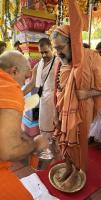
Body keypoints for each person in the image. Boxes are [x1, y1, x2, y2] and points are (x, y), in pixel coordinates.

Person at [51, 0, 101, 190]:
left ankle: (79, 171)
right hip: (62, 110)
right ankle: (69, 167)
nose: (58, 52)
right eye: (55, 48)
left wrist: (89, 92)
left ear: (72, 43)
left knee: (78, 143)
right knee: (64, 143)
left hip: (80, 112)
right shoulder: (60, 62)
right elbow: (58, 89)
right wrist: (55, 111)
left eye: (61, 47)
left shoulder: (91, 57)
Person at [0, 50, 48, 200]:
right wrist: (35, 144)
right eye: (25, 76)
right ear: (13, 71)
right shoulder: (9, 88)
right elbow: (8, 152)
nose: (25, 81)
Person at [24, 38, 60, 142]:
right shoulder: (37, 66)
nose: (44, 55)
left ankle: (57, 151)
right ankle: (47, 150)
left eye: (46, 52)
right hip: (45, 100)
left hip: (58, 100)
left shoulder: (59, 62)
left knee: (57, 129)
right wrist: (18, 94)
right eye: (41, 53)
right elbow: (31, 84)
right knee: (44, 128)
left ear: (52, 48)